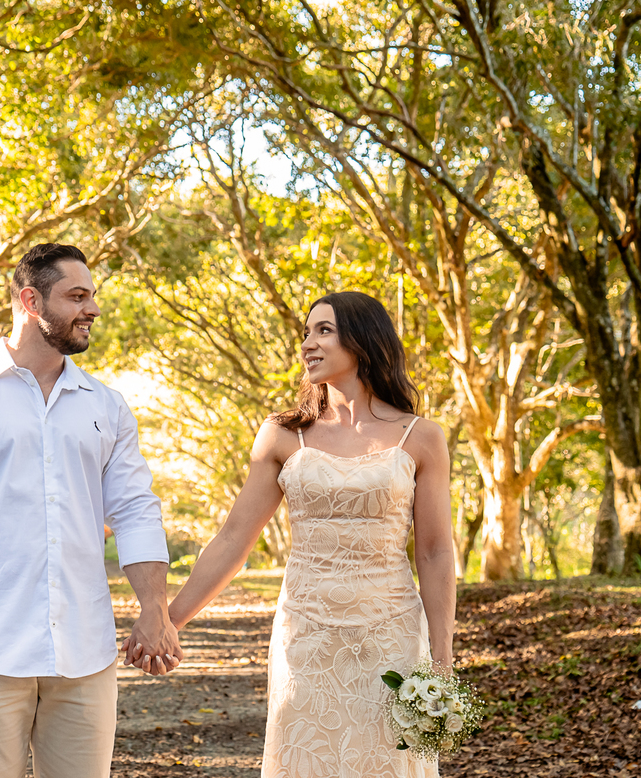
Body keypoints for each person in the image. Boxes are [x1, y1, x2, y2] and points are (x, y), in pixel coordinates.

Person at [0, 242, 183, 778]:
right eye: (77, 296)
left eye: (92, 296)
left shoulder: (107, 406)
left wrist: (155, 609)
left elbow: (136, 511)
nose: (92, 309)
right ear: (31, 301)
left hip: (85, 652)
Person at [148, 291, 456, 777]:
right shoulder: (282, 434)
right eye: (306, 333)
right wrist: (167, 622)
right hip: (306, 636)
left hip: (392, 634)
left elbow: (436, 552)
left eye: (323, 331)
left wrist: (441, 656)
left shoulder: (420, 436)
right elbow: (233, 540)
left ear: (365, 339)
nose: (307, 344)